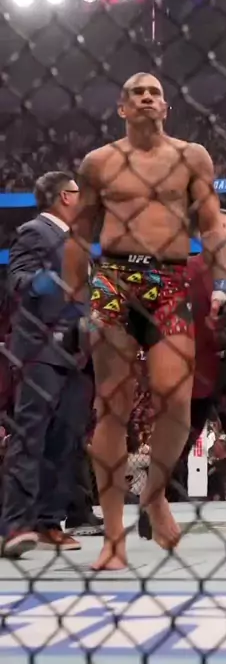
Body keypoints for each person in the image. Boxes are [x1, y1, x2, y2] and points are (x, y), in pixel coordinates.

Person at [63, 72, 226, 570]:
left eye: (154, 92)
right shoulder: (99, 162)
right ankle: (113, 539)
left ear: (165, 106)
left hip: (170, 281)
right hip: (113, 281)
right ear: (122, 107)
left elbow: (211, 224)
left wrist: (222, 283)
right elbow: (80, 232)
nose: (145, 97)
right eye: (136, 92)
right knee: (111, 407)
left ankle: (154, 493)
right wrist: (73, 299)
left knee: (176, 399)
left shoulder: (191, 157)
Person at [139, 209, 226, 542]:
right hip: (194, 371)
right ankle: (151, 505)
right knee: (177, 445)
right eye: (220, 227)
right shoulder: (183, 272)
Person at [0, 172, 93, 558]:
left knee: (65, 440)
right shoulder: (35, 232)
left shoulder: (78, 241)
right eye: (78, 192)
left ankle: (49, 522)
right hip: (41, 350)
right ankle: (15, 525)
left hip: (77, 352)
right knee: (31, 436)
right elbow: (19, 282)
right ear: (63, 197)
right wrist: (55, 278)